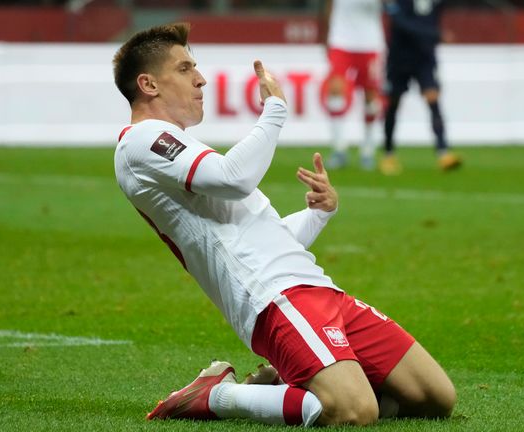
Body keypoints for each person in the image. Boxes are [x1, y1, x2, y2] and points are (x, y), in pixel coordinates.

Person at [112, 23, 455, 426]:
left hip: (316, 288)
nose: (200, 78)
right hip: (272, 297)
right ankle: (218, 395)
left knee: (434, 397)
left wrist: (319, 213)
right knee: (353, 411)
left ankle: (289, 384)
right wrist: (274, 110)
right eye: (185, 68)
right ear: (148, 84)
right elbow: (233, 177)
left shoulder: (185, 151)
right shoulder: (141, 141)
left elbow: (272, 240)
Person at [380, 0, 461, 175]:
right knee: (394, 103)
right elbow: (400, 22)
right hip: (399, 57)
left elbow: (434, 18)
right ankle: (388, 154)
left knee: (433, 98)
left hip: (424, 56)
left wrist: (432, 39)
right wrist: (434, 34)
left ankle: (443, 152)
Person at [320, 0, 384, 170]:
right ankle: (339, 148)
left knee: (371, 96)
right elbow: (329, 6)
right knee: (335, 90)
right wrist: (325, 34)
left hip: (370, 42)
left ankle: (368, 150)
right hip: (341, 40)